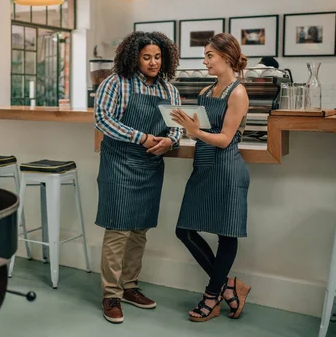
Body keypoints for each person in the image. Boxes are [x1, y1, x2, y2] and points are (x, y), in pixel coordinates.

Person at [94, 31, 182, 324]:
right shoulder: (115, 83)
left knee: (140, 230)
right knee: (118, 229)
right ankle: (111, 294)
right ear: (134, 57)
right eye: (147, 57)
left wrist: (171, 141)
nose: (153, 62)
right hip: (119, 163)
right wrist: (141, 136)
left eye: (158, 57)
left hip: (150, 165)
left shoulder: (169, 90)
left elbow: (178, 126)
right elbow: (103, 119)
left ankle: (129, 287)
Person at [170, 33, 251, 322]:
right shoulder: (206, 90)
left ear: (226, 57)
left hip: (227, 169)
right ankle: (229, 286)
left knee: (225, 235)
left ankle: (211, 295)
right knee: (185, 230)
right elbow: (204, 129)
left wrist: (194, 132)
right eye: (205, 55)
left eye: (209, 56)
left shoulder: (238, 93)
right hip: (203, 166)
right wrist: (187, 126)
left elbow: (226, 139)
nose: (205, 61)